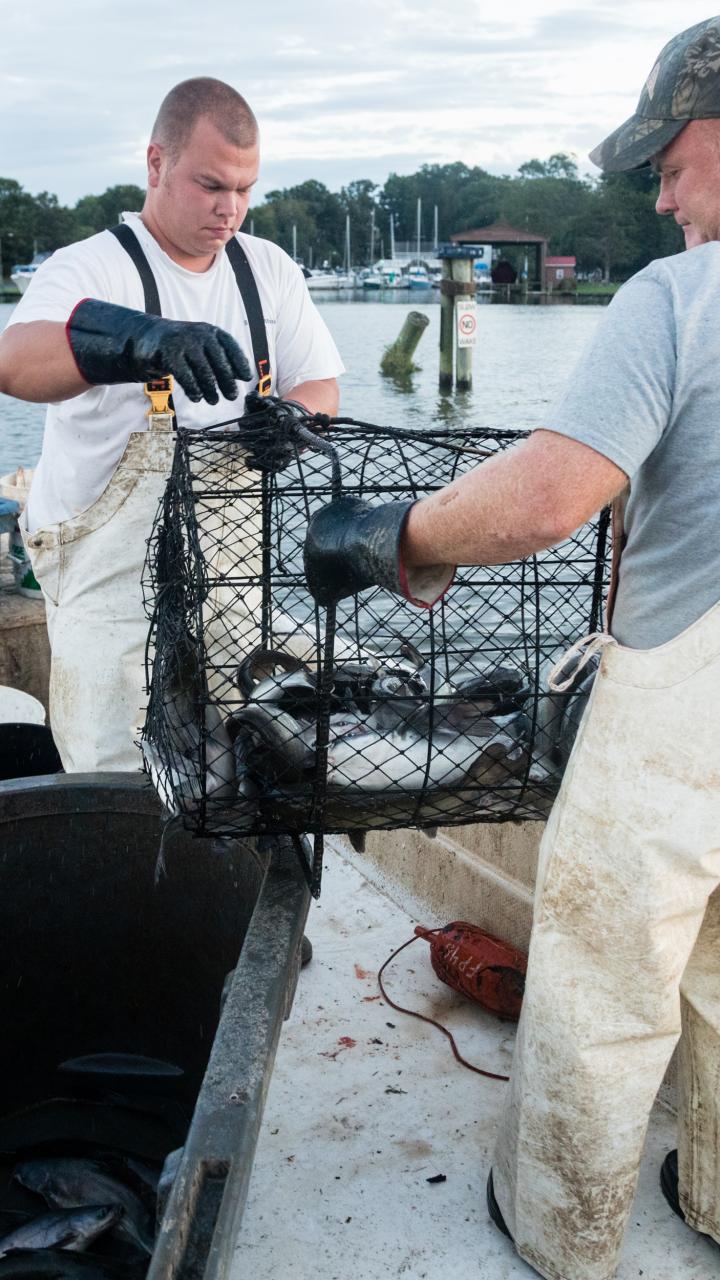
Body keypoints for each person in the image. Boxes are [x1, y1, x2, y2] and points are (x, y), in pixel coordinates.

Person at [304, 16, 720, 1279]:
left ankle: (559, 1225)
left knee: (603, 981)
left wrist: (396, 536)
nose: (660, 197)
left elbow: (549, 495)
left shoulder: (680, 297)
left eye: (670, 163)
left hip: (688, 709)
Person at [0, 77, 343, 772]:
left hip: (232, 579)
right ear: (156, 163)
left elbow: (322, 384)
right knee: (116, 775)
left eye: (245, 189)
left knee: (262, 762)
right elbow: (14, 362)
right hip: (110, 586)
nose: (230, 208)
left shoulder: (267, 270)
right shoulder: (91, 267)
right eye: (211, 185)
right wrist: (136, 340)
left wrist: (292, 417)